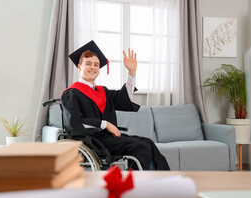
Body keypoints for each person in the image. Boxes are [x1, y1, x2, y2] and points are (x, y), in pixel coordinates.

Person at [61, 40, 170, 170]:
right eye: (88, 64)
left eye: (96, 64)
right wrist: (105, 124)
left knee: (148, 142)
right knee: (140, 146)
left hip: (108, 139)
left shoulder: (103, 91)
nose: (93, 67)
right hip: (91, 141)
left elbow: (123, 98)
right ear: (79, 67)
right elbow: (74, 123)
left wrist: (132, 73)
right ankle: (137, 183)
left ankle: (163, 181)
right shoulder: (72, 93)